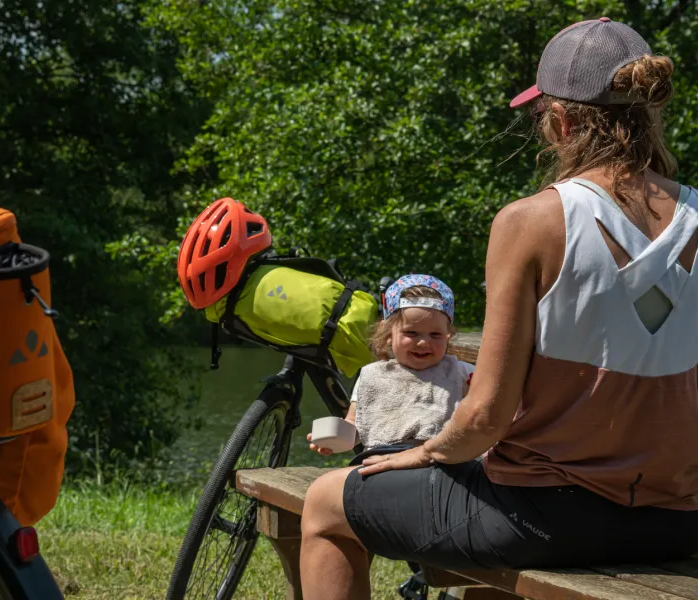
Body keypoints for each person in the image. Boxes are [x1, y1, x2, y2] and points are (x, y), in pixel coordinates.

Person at [299, 18, 698, 600]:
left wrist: (424, 452)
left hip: (547, 519)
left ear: (561, 122)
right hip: (679, 519)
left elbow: (487, 416)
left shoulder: (531, 221)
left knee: (322, 503)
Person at [308, 275, 475, 456]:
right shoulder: (373, 376)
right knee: (332, 477)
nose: (423, 342)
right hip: (381, 462)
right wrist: (335, 437)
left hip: (440, 463)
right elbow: (357, 425)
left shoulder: (461, 373)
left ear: (448, 335)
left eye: (435, 335)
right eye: (411, 333)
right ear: (388, 333)